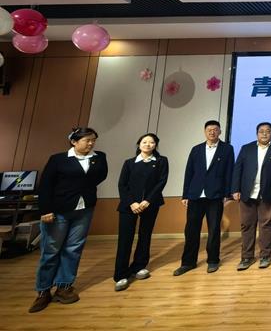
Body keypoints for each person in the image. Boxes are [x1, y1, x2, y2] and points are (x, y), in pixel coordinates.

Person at [29, 127, 108, 313]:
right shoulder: (58, 159)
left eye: (93, 140)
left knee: (73, 249)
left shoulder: (99, 157)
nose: (91, 143)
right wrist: (45, 210)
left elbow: (100, 176)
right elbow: (45, 185)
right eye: (87, 140)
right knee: (51, 250)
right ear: (74, 141)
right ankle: (43, 290)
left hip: (84, 209)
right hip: (59, 210)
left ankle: (64, 287)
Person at [174, 120, 234, 276]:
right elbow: (189, 172)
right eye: (209, 130)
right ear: (205, 132)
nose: (212, 132)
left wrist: (227, 194)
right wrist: (185, 194)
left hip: (215, 196)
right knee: (191, 230)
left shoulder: (227, 149)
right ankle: (188, 262)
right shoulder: (196, 149)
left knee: (214, 230)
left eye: (215, 129)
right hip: (195, 195)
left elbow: (229, 172)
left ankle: (213, 260)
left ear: (220, 132)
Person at [113, 133, 169, 291]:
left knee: (145, 235)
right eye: (144, 142)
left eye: (152, 142)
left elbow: (161, 182)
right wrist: (132, 203)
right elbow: (122, 185)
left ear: (155, 145)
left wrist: (147, 201)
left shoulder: (161, 161)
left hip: (150, 204)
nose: (148, 144)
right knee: (125, 239)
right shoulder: (129, 163)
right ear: (139, 144)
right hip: (129, 205)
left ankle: (139, 266)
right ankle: (121, 274)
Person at [231, 122, 271, 270]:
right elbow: (238, 170)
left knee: (267, 225)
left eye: (267, 131)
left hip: (269, 193)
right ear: (257, 133)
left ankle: (265, 256)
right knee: (247, 225)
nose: (264, 133)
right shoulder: (246, 148)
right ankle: (246, 257)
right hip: (247, 193)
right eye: (261, 131)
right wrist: (235, 189)